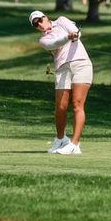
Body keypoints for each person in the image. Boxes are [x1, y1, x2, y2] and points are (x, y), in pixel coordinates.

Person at [30, 10, 93, 154]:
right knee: (61, 107)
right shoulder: (43, 40)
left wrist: (74, 35)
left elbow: (77, 34)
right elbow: (55, 43)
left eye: (40, 20)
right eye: (36, 24)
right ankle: (61, 139)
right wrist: (67, 37)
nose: (40, 24)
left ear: (45, 17)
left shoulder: (62, 20)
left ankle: (75, 145)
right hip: (62, 68)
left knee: (77, 104)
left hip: (81, 64)